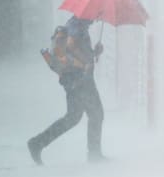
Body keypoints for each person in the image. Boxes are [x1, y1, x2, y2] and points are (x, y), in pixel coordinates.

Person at [27, 16, 106, 164]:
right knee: (96, 114)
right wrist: (88, 60)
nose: (96, 18)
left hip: (75, 79)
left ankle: (37, 143)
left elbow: (74, 52)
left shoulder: (77, 25)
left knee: (73, 118)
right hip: (80, 79)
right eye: (96, 14)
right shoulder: (77, 25)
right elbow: (71, 46)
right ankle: (94, 155)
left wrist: (94, 53)